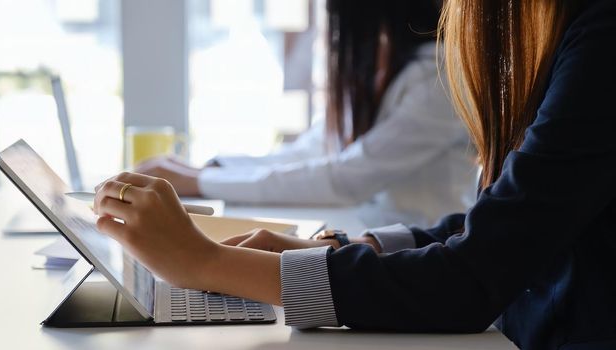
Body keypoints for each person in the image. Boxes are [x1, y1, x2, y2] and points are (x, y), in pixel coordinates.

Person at [93, 0, 616, 348]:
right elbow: (502, 225)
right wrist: (344, 248)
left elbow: (469, 279)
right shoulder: (566, 34)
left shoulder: (598, 40)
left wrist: (202, 261)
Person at [134, 0, 477, 228]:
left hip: (422, 248)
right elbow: (314, 150)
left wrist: (199, 182)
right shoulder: (388, 64)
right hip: (372, 231)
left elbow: (345, 179)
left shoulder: (440, 76)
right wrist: (209, 170)